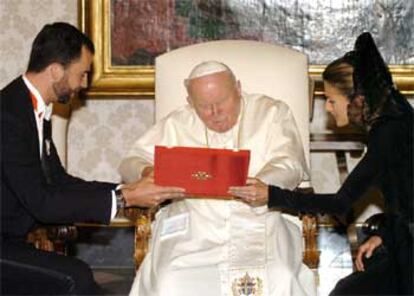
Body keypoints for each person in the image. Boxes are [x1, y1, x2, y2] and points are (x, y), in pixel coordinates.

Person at [0, 22, 185, 295]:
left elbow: (59, 182)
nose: (84, 84)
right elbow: (42, 203)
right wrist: (126, 199)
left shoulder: (30, 108)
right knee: (77, 277)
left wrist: (125, 190)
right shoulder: (9, 117)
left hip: (12, 241)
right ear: (55, 70)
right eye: (82, 73)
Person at [230, 32, 413, 295]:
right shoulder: (395, 120)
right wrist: (384, 235)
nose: (327, 108)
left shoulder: (387, 134)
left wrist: (271, 195)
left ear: (358, 100)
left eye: (331, 100)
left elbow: (341, 203)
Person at [120, 60, 316, 296]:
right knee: (170, 282)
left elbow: (290, 162)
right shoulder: (176, 123)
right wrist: (148, 172)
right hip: (194, 226)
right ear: (190, 103)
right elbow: (130, 161)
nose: (215, 113)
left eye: (222, 102)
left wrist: (261, 184)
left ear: (239, 89)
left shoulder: (272, 112)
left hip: (261, 219)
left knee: (280, 276)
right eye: (204, 106)